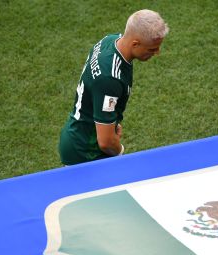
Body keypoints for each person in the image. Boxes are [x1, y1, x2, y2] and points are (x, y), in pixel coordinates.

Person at [58, 9, 169, 165]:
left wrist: (111, 121)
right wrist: (120, 151)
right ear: (135, 44)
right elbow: (106, 142)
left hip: (79, 135)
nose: (157, 52)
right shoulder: (110, 78)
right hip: (87, 152)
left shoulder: (109, 40)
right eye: (152, 49)